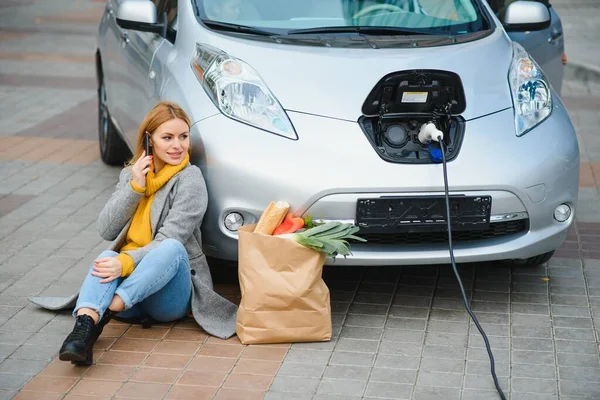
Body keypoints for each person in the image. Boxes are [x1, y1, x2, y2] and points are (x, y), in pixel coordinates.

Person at [51, 101, 236, 365]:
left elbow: (168, 239)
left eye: (183, 137)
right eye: (167, 138)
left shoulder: (190, 179)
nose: (177, 146)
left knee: (172, 248)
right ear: (150, 140)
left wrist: (124, 263)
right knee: (106, 254)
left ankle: (103, 313)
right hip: (129, 296)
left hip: (166, 299)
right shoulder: (131, 175)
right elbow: (106, 229)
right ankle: (82, 333)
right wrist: (135, 187)